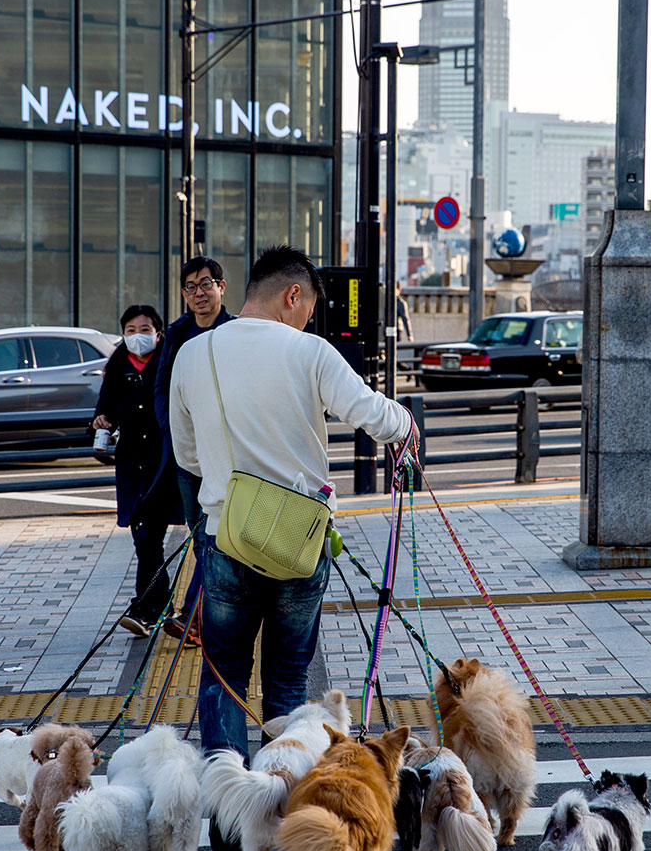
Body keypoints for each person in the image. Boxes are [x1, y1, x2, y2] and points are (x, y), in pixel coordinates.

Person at [169, 244, 413, 761]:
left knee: (224, 675)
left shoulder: (193, 354)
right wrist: (407, 425)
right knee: (286, 678)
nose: (307, 320)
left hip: (227, 539)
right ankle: (277, 794)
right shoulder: (311, 353)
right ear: (292, 295)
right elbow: (372, 414)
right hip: (299, 545)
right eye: (307, 309)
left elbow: (187, 456)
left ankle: (227, 812)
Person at [153, 256, 234, 642]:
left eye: (206, 284)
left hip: (225, 455)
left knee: (212, 536)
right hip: (186, 456)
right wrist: (172, 429)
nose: (199, 293)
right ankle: (205, 616)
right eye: (191, 287)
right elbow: (162, 388)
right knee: (201, 535)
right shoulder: (177, 332)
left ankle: (195, 616)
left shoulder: (236, 331)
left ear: (222, 287)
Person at [92, 305, 183, 637]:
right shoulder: (118, 362)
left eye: (144, 329)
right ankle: (162, 607)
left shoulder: (168, 361)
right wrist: (102, 419)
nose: (137, 336)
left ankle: (144, 610)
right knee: (145, 541)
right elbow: (105, 405)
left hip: (162, 463)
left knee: (149, 538)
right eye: (130, 330)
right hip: (131, 465)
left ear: (158, 333)